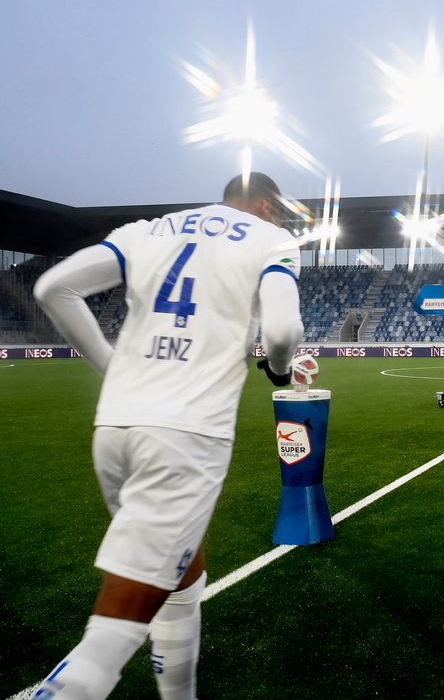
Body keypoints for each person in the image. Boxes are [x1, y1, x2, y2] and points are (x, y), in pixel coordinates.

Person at [31, 172, 304, 699]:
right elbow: (282, 330)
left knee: (182, 575)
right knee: (107, 643)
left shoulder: (148, 229)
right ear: (265, 205)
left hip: (114, 430)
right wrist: (279, 369)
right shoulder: (272, 240)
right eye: (277, 209)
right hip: (185, 437)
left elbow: (53, 288)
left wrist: (113, 368)